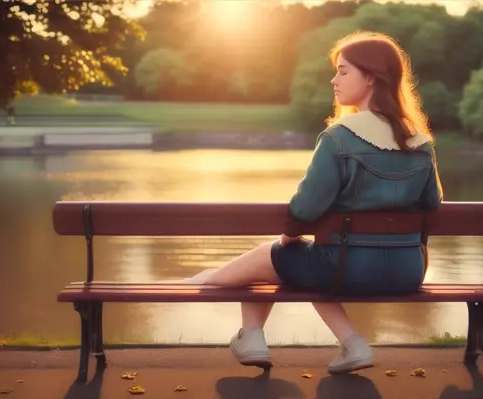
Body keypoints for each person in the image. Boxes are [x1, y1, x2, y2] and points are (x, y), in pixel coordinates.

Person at [183, 30, 443, 375]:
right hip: (407, 271)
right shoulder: (420, 142)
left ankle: (235, 316)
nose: (334, 80)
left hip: (346, 268)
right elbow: (432, 203)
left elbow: (304, 209)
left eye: (343, 70)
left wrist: (289, 238)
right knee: (289, 261)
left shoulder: (339, 137)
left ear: (371, 78)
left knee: (273, 256)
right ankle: (349, 344)